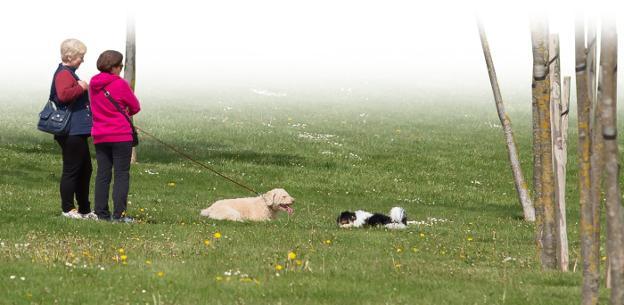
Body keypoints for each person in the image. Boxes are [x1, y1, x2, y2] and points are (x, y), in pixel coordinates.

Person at [89, 50, 141, 222]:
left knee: (103, 174)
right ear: (113, 67)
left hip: (100, 135)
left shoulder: (93, 84)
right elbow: (135, 106)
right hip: (120, 135)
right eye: (120, 66)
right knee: (121, 174)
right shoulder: (119, 84)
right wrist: (125, 111)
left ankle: (101, 213)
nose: (121, 68)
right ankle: (119, 214)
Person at [51, 38, 96, 220]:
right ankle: (68, 208)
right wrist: (81, 87)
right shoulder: (64, 74)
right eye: (80, 57)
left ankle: (84, 209)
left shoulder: (69, 72)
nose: (82, 61)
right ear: (70, 56)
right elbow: (63, 95)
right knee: (72, 169)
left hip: (76, 131)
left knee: (86, 169)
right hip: (70, 131)